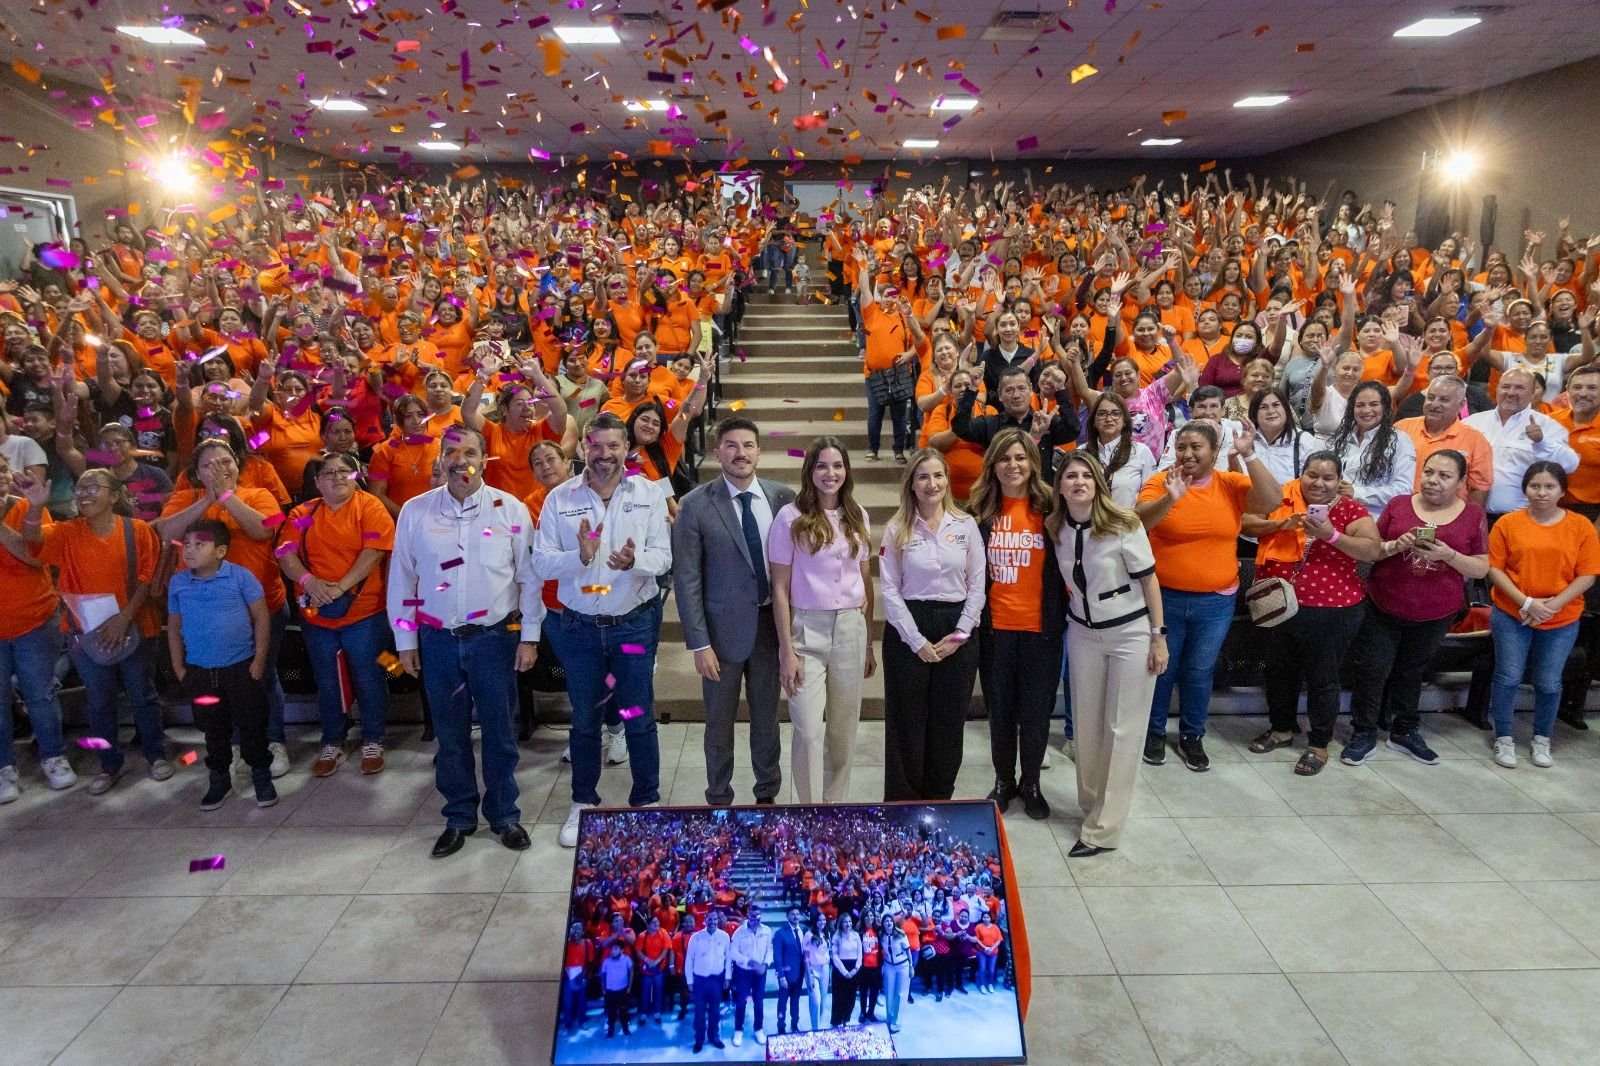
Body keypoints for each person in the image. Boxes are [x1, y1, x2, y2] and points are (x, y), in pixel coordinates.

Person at [389, 425, 543, 859]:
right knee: (450, 735)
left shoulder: (509, 509)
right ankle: (458, 816)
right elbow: (402, 577)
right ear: (440, 459)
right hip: (436, 639)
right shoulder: (415, 511)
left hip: (494, 639)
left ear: (485, 457)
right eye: (451, 452)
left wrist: (529, 636)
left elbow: (528, 579)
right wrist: (405, 639)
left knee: (499, 732)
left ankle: (504, 815)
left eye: (469, 451)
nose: (460, 459)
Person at [534, 412, 672, 846]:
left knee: (637, 715)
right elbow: (540, 563)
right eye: (597, 446)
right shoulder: (560, 498)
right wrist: (579, 556)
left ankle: (646, 803)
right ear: (583, 448)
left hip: (633, 625)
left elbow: (664, 557)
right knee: (586, 719)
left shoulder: (648, 493)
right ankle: (583, 804)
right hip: (579, 629)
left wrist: (636, 562)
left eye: (614, 446)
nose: (605, 454)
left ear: (625, 449)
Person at [1137, 420, 1281, 771]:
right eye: (1181, 446)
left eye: (1196, 447)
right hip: (1164, 598)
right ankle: (1153, 733)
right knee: (1161, 669)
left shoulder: (1229, 484)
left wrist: (1249, 454)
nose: (1187, 454)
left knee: (1199, 671)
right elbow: (1140, 521)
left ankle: (1192, 736)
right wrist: (1170, 499)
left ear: (1213, 452)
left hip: (1215, 600)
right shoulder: (1161, 481)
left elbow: (1271, 500)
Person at [19, 468, 171, 794]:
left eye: (93, 487)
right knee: (99, 702)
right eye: (79, 488)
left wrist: (124, 617)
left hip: (136, 626)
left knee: (142, 695)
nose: (83, 493)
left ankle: (156, 755)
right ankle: (109, 764)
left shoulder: (138, 530)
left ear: (115, 496)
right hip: (85, 634)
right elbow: (33, 539)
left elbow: (147, 577)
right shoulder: (68, 532)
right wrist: (34, 506)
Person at [672, 416, 794, 806]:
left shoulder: (783, 498)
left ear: (759, 451)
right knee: (719, 724)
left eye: (748, 445)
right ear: (717, 452)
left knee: (766, 722)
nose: (740, 453)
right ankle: (719, 798)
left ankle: (767, 796)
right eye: (731, 445)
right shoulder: (695, 505)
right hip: (720, 634)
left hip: (770, 626)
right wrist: (698, 644)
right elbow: (687, 579)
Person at [1049, 451, 1166, 854]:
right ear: (1060, 486)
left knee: (1122, 728)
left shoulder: (1123, 523)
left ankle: (1104, 829)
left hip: (1130, 633)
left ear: (1099, 482)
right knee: (1086, 725)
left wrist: (1158, 635)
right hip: (1082, 633)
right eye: (1071, 476)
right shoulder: (1056, 526)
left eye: (1087, 475)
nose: (1079, 482)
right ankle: (1091, 805)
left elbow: (1150, 582)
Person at [1344, 450, 1490, 765]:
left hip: (1436, 611)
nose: (1433, 481)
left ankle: (1405, 729)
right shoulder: (1398, 505)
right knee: (1373, 669)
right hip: (1384, 603)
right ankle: (1364, 731)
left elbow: (1480, 568)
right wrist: (1394, 546)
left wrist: (1448, 556)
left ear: (1461, 482)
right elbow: (1372, 551)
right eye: (1429, 472)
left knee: (1413, 672)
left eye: (1444, 476)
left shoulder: (1473, 515)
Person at [1242, 452, 1382, 775]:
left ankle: (1319, 744)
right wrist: (1279, 523)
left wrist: (1330, 535)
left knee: (1323, 678)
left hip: (1332, 610)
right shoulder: (1281, 498)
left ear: (1339, 481)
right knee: (1278, 671)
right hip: (1279, 604)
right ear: (1301, 474)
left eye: (1328, 477)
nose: (1318, 483)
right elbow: (1245, 520)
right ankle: (1282, 729)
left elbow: (1371, 550)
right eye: (1312, 475)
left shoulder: (1350, 509)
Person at [770, 436, 875, 803]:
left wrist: (869, 643)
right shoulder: (790, 517)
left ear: (846, 470)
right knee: (810, 730)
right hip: (806, 629)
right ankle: (810, 811)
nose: (830, 473)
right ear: (809, 470)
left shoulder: (857, 514)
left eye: (837, 465)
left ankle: (834, 808)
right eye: (821, 466)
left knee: (844, 732)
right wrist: (786, 650)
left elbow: (865, 579)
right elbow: (780, 588)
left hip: (850, 626)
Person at [276, 451, 394, 777]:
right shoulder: (305, 512)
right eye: (328, 473)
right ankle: (333, 740)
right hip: (317, 611)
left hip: (364, 610)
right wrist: (309, 581)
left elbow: (374, 551)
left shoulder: (369, 506)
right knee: (327, 680)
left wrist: (341, 587)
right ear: (317, 482)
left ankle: (373, 738)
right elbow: (286, 553)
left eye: (345, 471)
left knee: (370, 675)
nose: (338, 477)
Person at [878, 448, 985, 800]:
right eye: (923, 476)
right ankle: (903, 801)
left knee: (948, 722)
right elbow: (890, 590)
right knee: (906, 722)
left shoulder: (966, 525)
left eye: (938, 475)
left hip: (957, 629)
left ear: (947, 481)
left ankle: (940, 799)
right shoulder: (897, 529)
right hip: (910, 628)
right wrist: (916, 640)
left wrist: (961, 633)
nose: (931, 483)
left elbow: (978, 585)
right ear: (911, 484)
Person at [970, 428, 1063, 818]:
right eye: (1005, 458)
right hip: (995, 631)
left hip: (1041, 630)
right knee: (1001, 712)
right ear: (993, 464)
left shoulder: (1051, 509)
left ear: (1032, 463)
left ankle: (1032, 783)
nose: (1013, 465)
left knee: (1036, 713)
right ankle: (1004, 781)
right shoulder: (979, 514)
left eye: (1020, 458)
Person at [1486, 462, 1600, 768]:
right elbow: (1495, 568)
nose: (1542, 492)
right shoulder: (1508, 523)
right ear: (1525, 488)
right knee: (1508, 676)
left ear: (1563, 490)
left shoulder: (1581, 526)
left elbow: (1587, 574)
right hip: (1512, 613)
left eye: (1550, 486)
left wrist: (1550, 606)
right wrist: (1526, 603)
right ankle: (1504, 738)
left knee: (1549, 682)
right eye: (1535, 485)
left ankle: (1542, 738)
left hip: (1561, 617)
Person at [167, 520, 274, 809]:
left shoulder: (241, 578)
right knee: (212, 728)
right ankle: (219, 777)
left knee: (252, 724)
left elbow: (262, 618)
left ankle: (261, 773)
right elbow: (174, 626)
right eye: (186, 544)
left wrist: (258, 662)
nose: (190, 550)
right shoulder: (178, 583)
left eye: (199, 544)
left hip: (240, 668)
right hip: (200, 671)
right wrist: (179, 667)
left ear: (220, 551)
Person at [0, 455, 73, 802]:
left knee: (40, 695)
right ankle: (5, 768)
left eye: (1, 470)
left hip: (34, 619)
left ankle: (54, 757)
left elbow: (36, 557)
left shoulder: (29, 507)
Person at [1464, 366, 1580, 520]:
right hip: (1471, 517)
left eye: (1520, 388)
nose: (1511, 392)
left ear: (1533, 393)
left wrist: (1542, 442)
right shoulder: (1473, 422)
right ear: (1497, 389)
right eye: (1506, 386)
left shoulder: (1547, 426)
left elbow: (1570, 464)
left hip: (1520, 519)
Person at [1395, 375, 1494, 506]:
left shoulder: (1476, 440)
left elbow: (1479, 488)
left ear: (1461, 405)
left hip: (1450, 517)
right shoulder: (1401, 428)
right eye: (1430, 398)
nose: (1434, 404)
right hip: (1402, 510)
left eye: (1444, 400)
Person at [1325, 380, 1416, 520]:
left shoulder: (1400, 440)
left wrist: (1357, 493)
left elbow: (1403, 490)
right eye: (1360, 405)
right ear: (1352, 408)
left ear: (1385, 407)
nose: (1366, 410)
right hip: (1334, 513)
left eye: (1374, 404)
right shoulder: (1339, 439)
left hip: (1374, 518)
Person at [685, 906, 732, 1053]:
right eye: (710, 919)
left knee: (715, 1011)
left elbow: (728, 959)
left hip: (716, 980)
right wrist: (689, 981)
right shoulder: (696, 937)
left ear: (718, 920)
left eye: (715, 919)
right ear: (705, 920)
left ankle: (714, 1037)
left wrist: (728, 977)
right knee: (699, 1012)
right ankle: (699, 1039)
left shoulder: (724, 936)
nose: (712, 921)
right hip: (699, 980)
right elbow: (689, 961)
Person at [729, 905, 774, 1047]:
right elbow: (733, 953)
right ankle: (738, 1030)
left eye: (758, 916)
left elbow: (769, 950)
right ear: (748, 915)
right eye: (752, 915)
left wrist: (765, 965)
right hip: (743, 972)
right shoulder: (739, 932)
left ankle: (758, 1029)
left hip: (760, 972)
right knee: (741, 1002)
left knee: (759, 1002)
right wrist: (749, 962)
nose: (755, 918)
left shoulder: (767, 931)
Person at [772, 907, 807, 1036]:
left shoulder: (804, 930)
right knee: (782, 1002)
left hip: (800, 973)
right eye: (792, 914)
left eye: (798, 914)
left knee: (795, 1001)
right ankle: (781, 1026)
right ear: (787, 916)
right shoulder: (780, 933)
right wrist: (781, 976)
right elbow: (777, 956)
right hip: (785, 975)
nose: (796, 916)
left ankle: (795, 1023)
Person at [880, 909, 914, 1033]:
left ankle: (897, 1022)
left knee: (901, 994)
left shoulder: (901, 934)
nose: (888, 923)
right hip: (889, 966)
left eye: (890, 920)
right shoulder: (881, 935)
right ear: (883, 924)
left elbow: (908, 952)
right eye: (886, 921)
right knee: (889, 992)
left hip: (902, 966)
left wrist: (911, 966)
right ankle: (889, 1017)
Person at [829, 913, 863, 1027]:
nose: (848, 924)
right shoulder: (836, 936)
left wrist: (856, 968)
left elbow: (860, 954)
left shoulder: (856, 935)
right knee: (839, 997)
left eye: (849, 922)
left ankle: (846, 1019)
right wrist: (844, 972)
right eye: (845, 922)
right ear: (841, 923)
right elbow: (835, 956)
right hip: (840, 969)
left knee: (851, 996)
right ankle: (837, 1021)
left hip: (854, 968)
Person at [560, 921, 594, 1035]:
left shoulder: (588, 943)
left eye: (578, 928)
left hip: (581, 976)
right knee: (567, 1003)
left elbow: (590, 962)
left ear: (583, 931)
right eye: (573, 928)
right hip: (568, 978)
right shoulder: (566, 944)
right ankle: (567, 1026)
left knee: (582, 1001)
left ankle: (582, 1021)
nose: (576, 931)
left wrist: (585, 974)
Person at [599, 940, 634, 1038]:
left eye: (616, 949)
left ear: (622, 950)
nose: (612, 951)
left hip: (622, 990)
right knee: (611, 1011)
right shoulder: (606, 961)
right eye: (612, 949)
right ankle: (611, 1029)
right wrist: (603, 988)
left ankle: (625, 1028)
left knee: (624, 1010)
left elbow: (631, 972)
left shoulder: (627, 959)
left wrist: (629, 987)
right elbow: (603, 975)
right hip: (610, 991)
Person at [803, 915, 831, 1032]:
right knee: (816, 1000)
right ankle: (815, 1028)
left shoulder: (827, 934)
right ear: (815, 921)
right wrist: (809, 975)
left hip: (825, 968)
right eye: (819, 920)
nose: (822, 922)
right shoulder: (808, 935)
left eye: (824, 920)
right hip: (812, 969)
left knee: (823, 1001)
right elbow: (806, 958)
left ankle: (818, 1026)